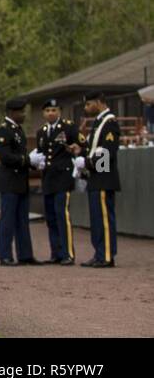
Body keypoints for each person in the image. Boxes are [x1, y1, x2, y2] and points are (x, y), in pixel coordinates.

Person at [75, 92, 121, 267]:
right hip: (95, 178)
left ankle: (107, 255)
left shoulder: (109, 123)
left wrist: (87, 162)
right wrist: (80, 152)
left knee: (104, 219)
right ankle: (100, 253)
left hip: (104, 178)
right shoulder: (98, 123)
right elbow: (93, 148)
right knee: (96, 219)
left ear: (99, 102)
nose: (86, 109)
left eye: (88, 105)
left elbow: (107, 153)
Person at [32, 98, 80, 264]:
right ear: (43, 113)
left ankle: (68, 253)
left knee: (62, 215)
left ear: (59, 111)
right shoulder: (42, 132)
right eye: (47, 111)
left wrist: (77, 154)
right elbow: (41, 153)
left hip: (63, 177)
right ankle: (56, 253)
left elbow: (82, 145)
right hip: (48, 178)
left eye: (54, 110)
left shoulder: (68, 127)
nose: (51, 113)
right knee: (51, 218)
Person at [0, 99, 40, 266]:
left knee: (22, 219)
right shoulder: (3, 131)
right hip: (9, 181)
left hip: (20, 180)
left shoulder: (18, 131)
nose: (24, 115)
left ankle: (25, 254)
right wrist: (28, 160)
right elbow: (6, 157)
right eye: (21, 112)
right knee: (8, 220)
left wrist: (32, 161)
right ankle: (4, 255)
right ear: (12, 113)